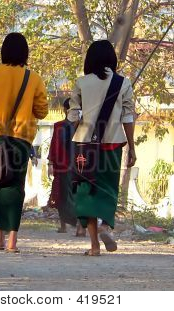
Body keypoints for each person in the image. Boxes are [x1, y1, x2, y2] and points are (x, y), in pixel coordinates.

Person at [0, 32, 48, 252]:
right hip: (21, 138)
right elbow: (42, 111)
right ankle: (12, 241)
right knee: (16, 187)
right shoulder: (34, 78)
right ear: (25, 53)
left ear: (3, 51)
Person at [67, 40, 136, 256]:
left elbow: (73, 115)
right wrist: (132, 147)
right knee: (108, 189)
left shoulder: (81, 82)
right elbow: (128, 117)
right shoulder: (123, 83)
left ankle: (94, 246)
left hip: (85, 146)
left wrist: (75, 126)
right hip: (113, 143)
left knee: (87, 191)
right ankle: (106, 225)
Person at [48, 98, 85, 236]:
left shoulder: (81, 126)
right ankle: (71, 226)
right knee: (63, 195)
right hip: (67, 166)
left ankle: (76, 225)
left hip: (73, 166)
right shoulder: (61, 126)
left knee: (69, 195)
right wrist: (51, 163)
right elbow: (54, 146)